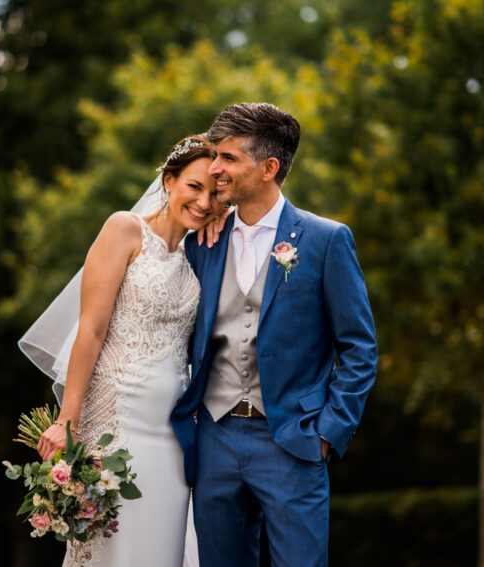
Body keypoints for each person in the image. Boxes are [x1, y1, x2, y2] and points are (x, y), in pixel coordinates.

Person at [170, 103, 378, 567]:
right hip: (215, 439)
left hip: (293, 439)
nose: (214, 168)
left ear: (268, 168)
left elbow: (359, 348)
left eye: (228, 158)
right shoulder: (202, 241)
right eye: (215, 156)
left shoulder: (326, 240)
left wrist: (328, 432)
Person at [20, 134, 225, 566]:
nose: (203, 202)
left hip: (173, 437)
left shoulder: (201, 255)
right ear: (168, 181)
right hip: (116, 423)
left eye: (214, 194)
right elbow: (91, 330)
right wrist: (67, 420)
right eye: (194, 186)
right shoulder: (124, 229)